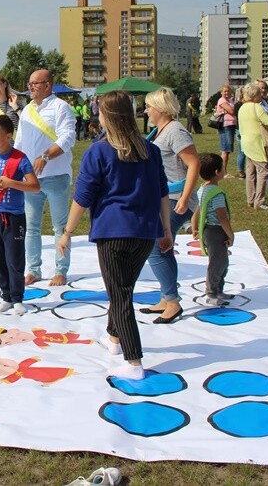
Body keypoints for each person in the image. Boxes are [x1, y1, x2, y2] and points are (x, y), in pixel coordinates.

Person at [58, 90, 172, 381]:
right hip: (145, 232)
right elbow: (162, 192)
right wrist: (166, 229)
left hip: (113, 233)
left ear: (106, 116)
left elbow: (83, 197)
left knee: (120, 296)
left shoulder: (98, 152)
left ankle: (134, 362)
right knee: (123, 288)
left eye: (99, 112)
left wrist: (67, 232)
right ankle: (113, 337)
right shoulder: (150, 151)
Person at [138, 87, 199, 324]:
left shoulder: (176, 131)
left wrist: (184, 198)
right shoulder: (160, 130)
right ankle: (167, 297)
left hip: (176, 199)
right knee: (163, 247)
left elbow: (194, 164)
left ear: (161, 108)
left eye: (149, 107)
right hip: (165, 198)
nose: (146, 111)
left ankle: (172, 301)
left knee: (156, 246)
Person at [16, 69, 76, 286]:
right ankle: (33, 270)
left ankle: (61, 270)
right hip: (31, 180)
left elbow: (68, 137)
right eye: (29, 83)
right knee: (31, 227)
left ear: (48, 85)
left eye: (35, 83)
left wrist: (45, 156)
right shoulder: (27, 110)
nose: (30, 87)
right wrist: (15, 169)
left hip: (56, 176)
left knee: (60, 227)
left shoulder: (61, 107)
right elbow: (20, 142)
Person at [0, 114, 40, 316]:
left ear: (9, 136)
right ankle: (6, 296)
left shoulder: (19, 158)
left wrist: (11, 183)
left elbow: (35, 186)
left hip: (13, 216)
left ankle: (17, 298)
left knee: (15, 259)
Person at [191, 153, 235, 306]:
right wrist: (231, 235)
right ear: (217, 172)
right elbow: (222, 218)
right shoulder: (216, 194)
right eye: (223, 167)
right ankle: (211, 293)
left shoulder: (202, 189)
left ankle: (218, 290)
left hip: (208, 231)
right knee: (217, 263)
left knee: (223, 262)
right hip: (215, 231)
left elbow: (196, 210)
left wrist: (194, 227)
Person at [237, 82, 268, 210]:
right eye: (259, 94)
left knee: (250, 172)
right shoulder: (257, 107)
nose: (261, 96)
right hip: (257, 143)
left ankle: (250, 199)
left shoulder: (242, 108)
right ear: (254, 96)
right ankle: (259, 201)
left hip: (246, 142)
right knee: (263, 172)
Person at [215, 85, 237, 178]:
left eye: (228, 91)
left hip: (231, 125)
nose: (226, 93)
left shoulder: (230, 101)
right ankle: (223, 172)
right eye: (225, 91)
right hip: (225, 126)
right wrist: (231, 110)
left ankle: (222, 170)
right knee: (225, 149)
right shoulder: (222, 100)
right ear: (221, 92)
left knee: (227, 150)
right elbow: (232, 111)